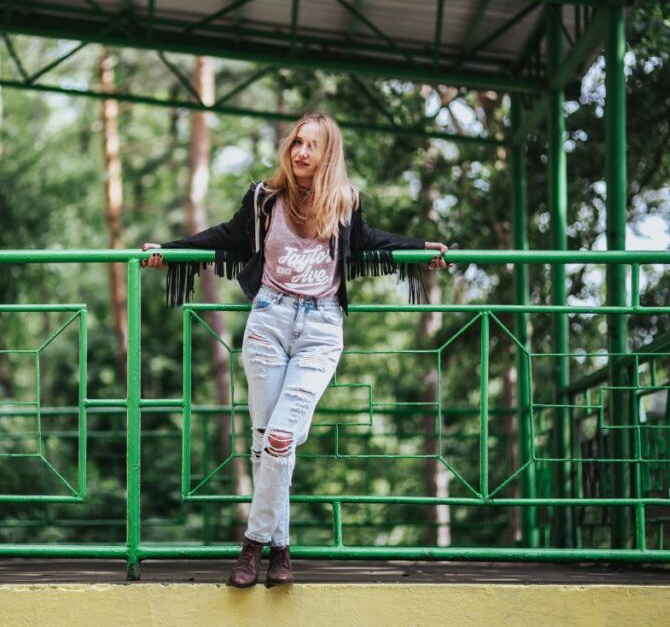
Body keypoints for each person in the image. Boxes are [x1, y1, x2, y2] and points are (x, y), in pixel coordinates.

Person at [142, 111, 449, 588]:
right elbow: (226, 235)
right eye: (297, 143)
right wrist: (171, 249)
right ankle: (280, 553)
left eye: (313, 146)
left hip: (322, 330)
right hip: (268, 320)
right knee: (265, 442)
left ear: (329, 155)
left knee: (280, 438)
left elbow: (368, 241)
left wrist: (416, 248)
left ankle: (252, 547)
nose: (302, 153)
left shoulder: (345, 202)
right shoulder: (265, 198)